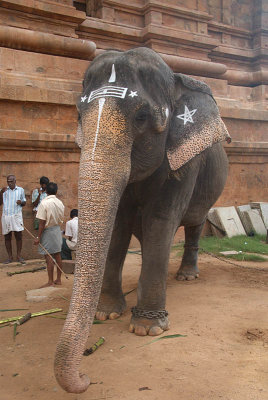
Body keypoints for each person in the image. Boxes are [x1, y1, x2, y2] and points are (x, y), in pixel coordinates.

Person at [34, 182, 64, 288]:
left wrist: (38, 237)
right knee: (57, 254)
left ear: (46, 191)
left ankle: (50, 281)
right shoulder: (60, 203)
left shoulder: (44, 203)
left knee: (48, 256)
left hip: (48, 231)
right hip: (57, 230)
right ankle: (58, 279)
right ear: (56, 191)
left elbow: (42, 222)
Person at [0, 175, 26, 264]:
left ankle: (18, 256)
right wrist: (1, 193)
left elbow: (24, 202)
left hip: (16, 215)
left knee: (18, 236)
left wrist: (21, 202)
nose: (9, 183)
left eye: (11, 181)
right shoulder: (4, 191)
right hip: (6, 215)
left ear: (15, 181)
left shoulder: (20, 190)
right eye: (8, 181)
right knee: (7, 236)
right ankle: (10, 257)